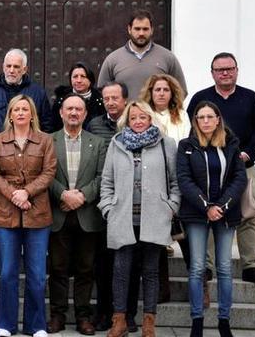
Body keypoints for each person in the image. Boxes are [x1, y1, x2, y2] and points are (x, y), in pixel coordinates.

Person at [98, 100, 180, 337]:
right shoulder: (117, 143)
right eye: (133, 118)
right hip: (122, 218)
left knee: (151, 271)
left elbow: (175, 182)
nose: (138, 122)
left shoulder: (166, 144)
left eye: (142, 117)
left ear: (151, 118)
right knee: (121, 270)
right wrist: (107, 208)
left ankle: (148, 323)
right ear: (127, 120)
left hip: (155, 218)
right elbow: (107, 181)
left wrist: (171, 206)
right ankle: (120, 320)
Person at [186, 52, 255, 285]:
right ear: (212, 72)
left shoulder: (249, 97)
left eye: (229, 68)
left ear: (236, 70)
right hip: (210, 167)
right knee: (210, 214)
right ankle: (208, 267)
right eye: (219, 69)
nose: (225, 73)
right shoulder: (200, 98)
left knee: (248, 214)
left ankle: (249, 265)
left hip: (243, 165)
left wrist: (249, 152)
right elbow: (193, 129)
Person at [0, 94, 56, 337]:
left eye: (25, 109)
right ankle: (6, 323)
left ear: (32, 114)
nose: (21, 113)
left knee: (36, 274)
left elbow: (49, 172)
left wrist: (26, 192)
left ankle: (36, 325)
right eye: (16, 109)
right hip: (5, 215)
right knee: (7, 273)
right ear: (10, 114)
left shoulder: (45, 140)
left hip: (38, 215)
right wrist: (14, 194)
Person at [176, 101, 247, 337]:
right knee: (197, 267)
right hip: (197, 213)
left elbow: (239, 179)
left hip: (225, 213)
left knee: (224, 267)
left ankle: (224, 321)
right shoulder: (186, 146)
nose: (205, 121)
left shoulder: (231, 144)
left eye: (210, 117)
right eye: (200, 117)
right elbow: (184, 180)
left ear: (218, 119)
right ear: (195, 121)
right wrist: (206, 207)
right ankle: (197, 322)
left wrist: (222, 206)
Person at [46, 95, 108, 336]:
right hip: (58, 213)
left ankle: (83, 316)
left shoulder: (98, 142)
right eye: (69, 108)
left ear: (85, 114)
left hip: (87, 214)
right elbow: (44, 173)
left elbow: (103, 176)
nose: (73, 113)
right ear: (61, 112)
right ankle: (57, 316)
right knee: (58, 268)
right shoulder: (49, 141)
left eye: (78, 109)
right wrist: (63, 195)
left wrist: (81, 196)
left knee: (86, 269)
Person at [138, 73, 189, 303]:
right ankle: (161, 290)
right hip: (154, 182)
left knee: (184, 236)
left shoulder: (182, 117)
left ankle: (201, 284)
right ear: (151, 92)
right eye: (157, 89)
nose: (161, 93)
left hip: (179, 179)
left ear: (172, 94)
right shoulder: (144, 115)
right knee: (156, 239)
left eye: (165, 90)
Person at [86, 81, 128, 332]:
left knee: (127, 264)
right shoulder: (95, 125)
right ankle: (103, 312)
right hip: (103, 205)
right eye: (107, 98)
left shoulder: (135, 121)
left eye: (115, 98)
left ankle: (126, 314)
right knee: (102, 264)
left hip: (130, 204)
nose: (111, 102)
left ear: (125, 99)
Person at [97, 9, 187, 99]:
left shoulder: (168, 57)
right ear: (129, 29)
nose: (141, 33)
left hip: (156, 113)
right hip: (125, 113)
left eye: (145, 29)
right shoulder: (112, 59)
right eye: (137, 29)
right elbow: (102, 92)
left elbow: (181, 91)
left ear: (152, 30)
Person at [0, 48, 52, 138]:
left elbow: (47, 127)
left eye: (16, 67)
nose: (11, 70)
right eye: (8, 66)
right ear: (3, 67)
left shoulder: (38, 93)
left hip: (29, 150)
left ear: (24, 69)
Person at [50, 62, 106, 131]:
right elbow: (53, 126)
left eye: (83, 76)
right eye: (75, 76)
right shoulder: (61, 100)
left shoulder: (100, 101)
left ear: (90, 80)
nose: (79, 80)